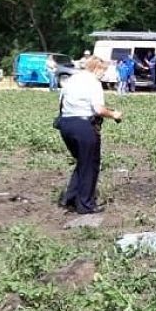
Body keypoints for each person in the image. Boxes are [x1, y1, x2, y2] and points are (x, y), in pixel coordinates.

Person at [55, 56, 123, 214]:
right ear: (96, 68)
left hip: (66, 125)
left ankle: (70, 198)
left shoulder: (71, 80)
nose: (103, 75)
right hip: (84, 127)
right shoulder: (93, 83)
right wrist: (114, 114)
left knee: (82, 162)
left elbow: (61, 102)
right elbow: (98, 109)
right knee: (90, 165)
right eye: (103, 71)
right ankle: (85, 205)